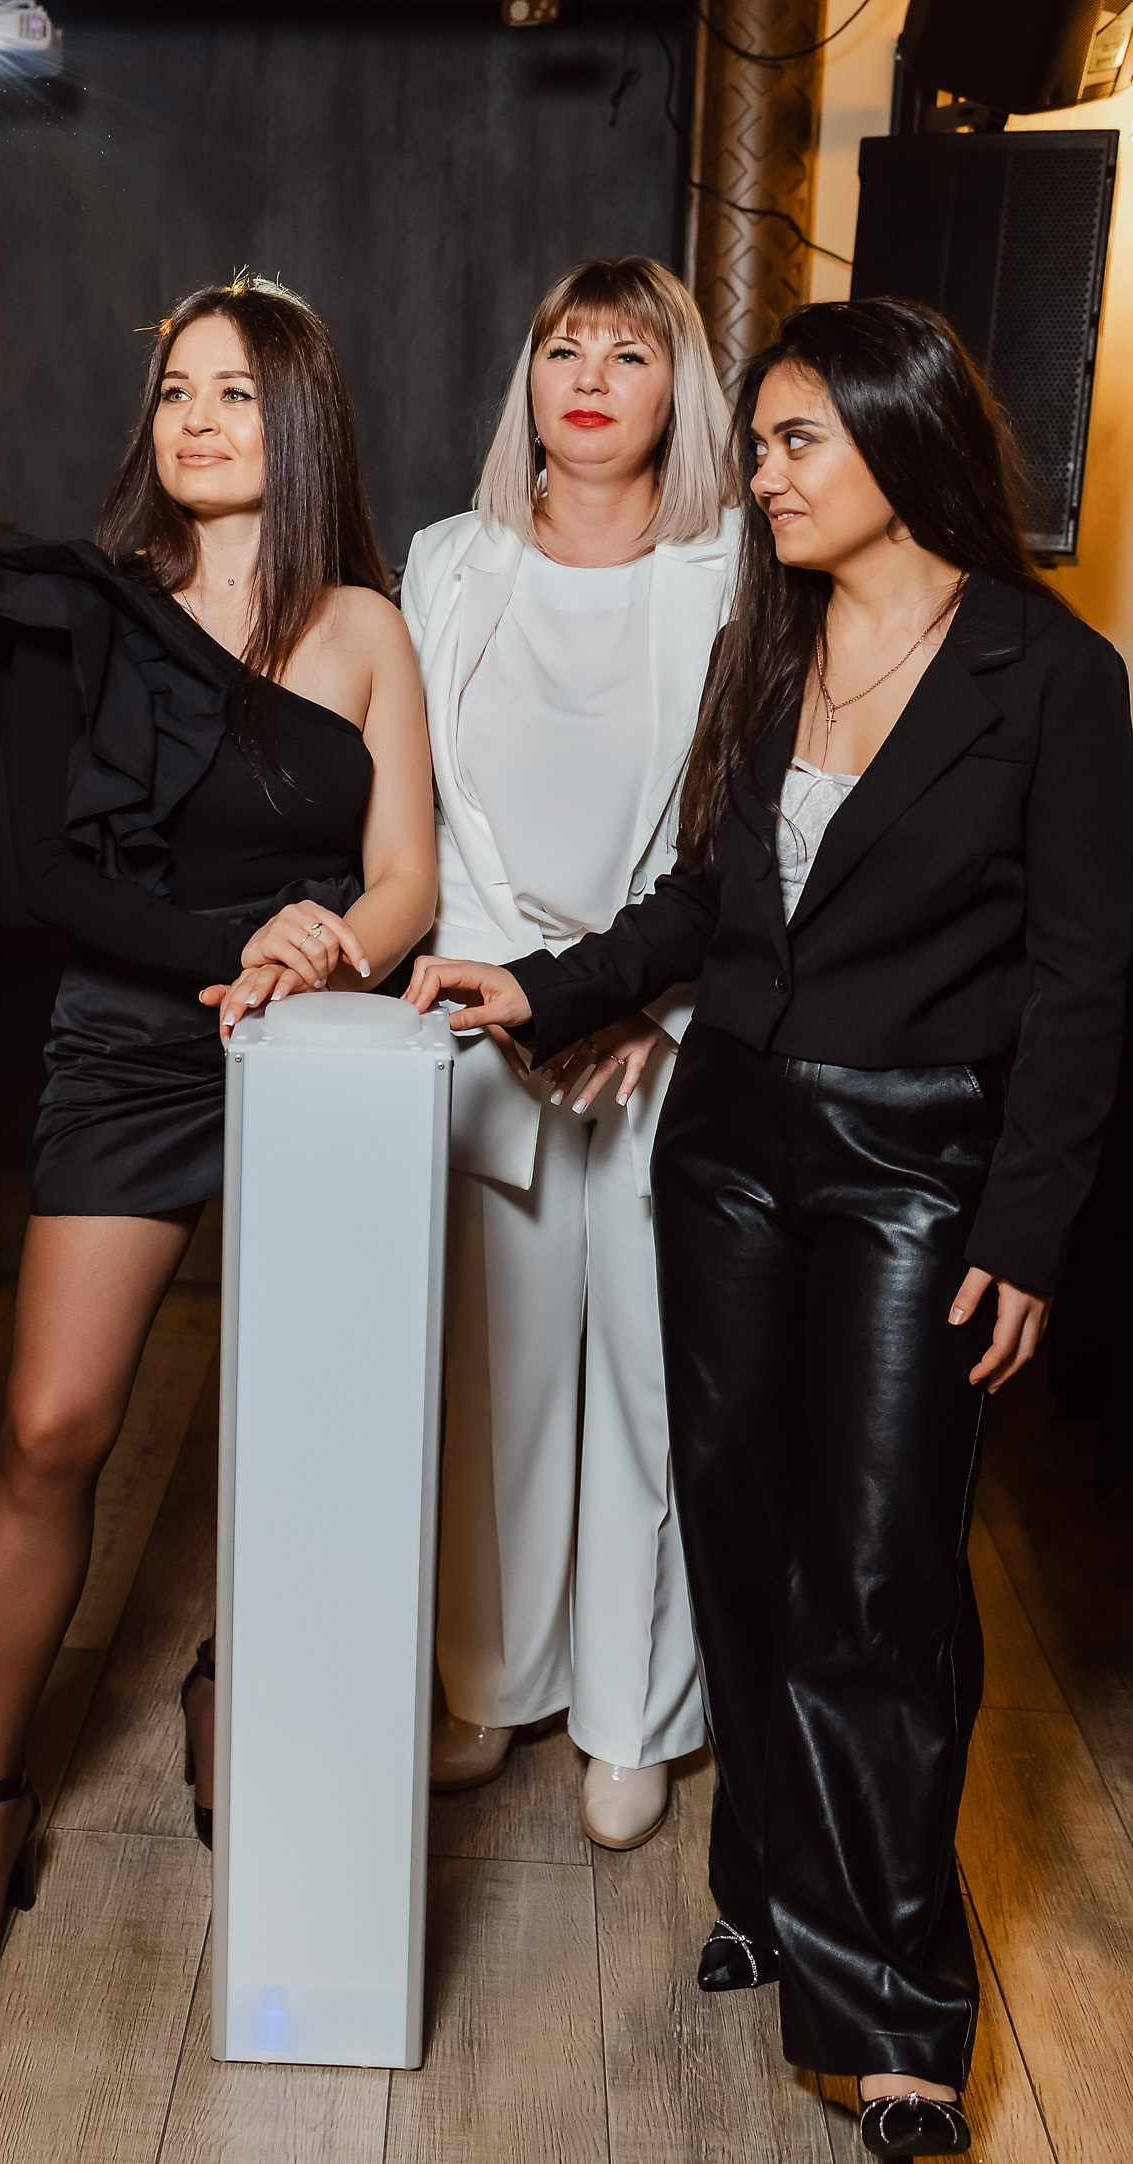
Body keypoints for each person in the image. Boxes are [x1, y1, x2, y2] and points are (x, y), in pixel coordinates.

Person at [406, 297, 1133, 2159]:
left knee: (878, 1570)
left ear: (904, 440)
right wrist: (542, 985)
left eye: (800, 440)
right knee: (735, 1535)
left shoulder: (1051, 676)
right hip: (725, 1145)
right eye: (767, 441)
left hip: (917, 1166)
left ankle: (894, 2012)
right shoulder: (771, 636)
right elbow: (701, 904)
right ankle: (771, 1890)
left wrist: (1030, 1227)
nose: (765, 475)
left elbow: (1084, 982)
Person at [0, 275, 437, 2007]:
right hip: (136, 1043)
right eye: (176, 392)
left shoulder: (366, 625)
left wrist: (322, 953)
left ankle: (227, 1680)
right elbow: (45, 876)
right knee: (52, 1426)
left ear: (304, 418)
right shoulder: (76, 608)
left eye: (238, 390)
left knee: (302, 1437)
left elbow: (407, 877)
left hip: (322, 1052)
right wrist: (239, 946)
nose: (199, 419)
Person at [401, 256, 734, 1848]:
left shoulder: (738, 574)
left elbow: (753, 837)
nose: (590, 379)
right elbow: (415, 807)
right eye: (563, 349)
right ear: (527, 379)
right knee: (498, 1376)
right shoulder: (444, 562)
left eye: (629, 353)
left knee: (655, 1378)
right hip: (484, 1016)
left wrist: (642, 1003)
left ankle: (633, 1717)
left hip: (665, 1035)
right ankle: (492, 1682)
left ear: (682, 389)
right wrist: (502, 995)